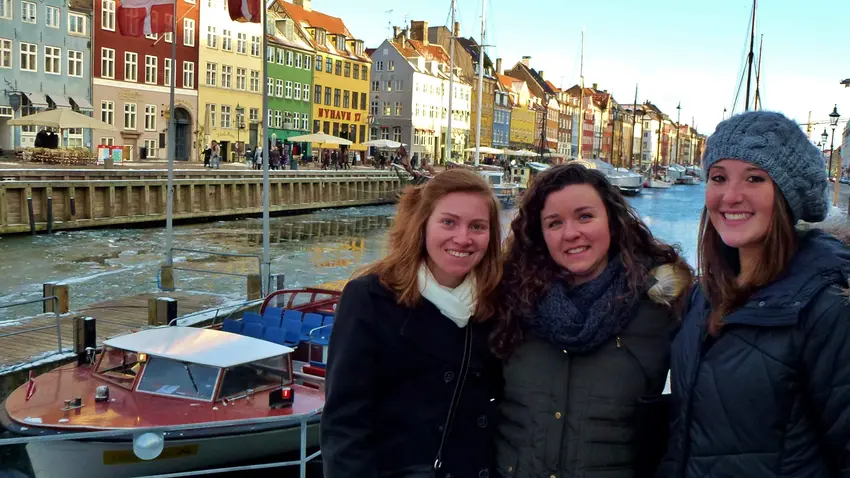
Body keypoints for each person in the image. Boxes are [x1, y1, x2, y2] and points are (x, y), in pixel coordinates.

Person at [660, 111, 850, 477]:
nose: (731, 196)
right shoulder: (707, 294)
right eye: (718, 178)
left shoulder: (828, 305)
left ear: (786, 194)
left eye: (754, 178)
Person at [492, 163, 693, 478]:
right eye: (554, 223)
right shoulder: (509, 300)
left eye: (585, 216)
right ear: (539, 234)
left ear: (612, 222)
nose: (571, 233)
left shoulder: (660, 305)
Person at [321, 169, 504, 478]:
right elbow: (345, 424)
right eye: (448, 222)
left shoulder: (498, 302)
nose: (463, 238)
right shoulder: (370, 299)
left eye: (477, 226)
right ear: (423, 225)